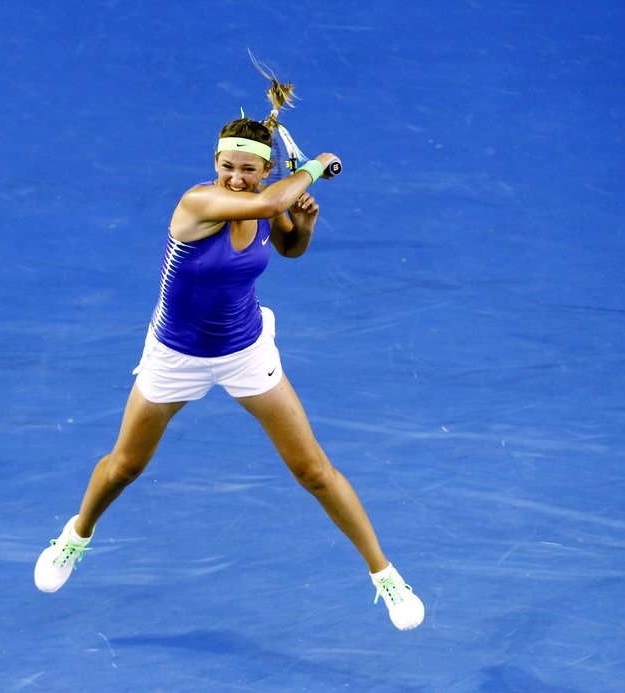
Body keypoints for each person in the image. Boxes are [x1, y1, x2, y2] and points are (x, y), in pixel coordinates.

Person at [34, 116, 424, 631]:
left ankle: (385, 575)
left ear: (264, 170)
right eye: (227, 166)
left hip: (245, 351)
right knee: (125, 466)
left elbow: (289, 247)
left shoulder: (269, 201)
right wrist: (313, 167)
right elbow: (270, 203)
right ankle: (75, 536)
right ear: (215, 164)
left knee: (313, 470)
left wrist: (303, 224)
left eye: (247, 169)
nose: (236, 178)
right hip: (175, 355)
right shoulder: (200, 202)